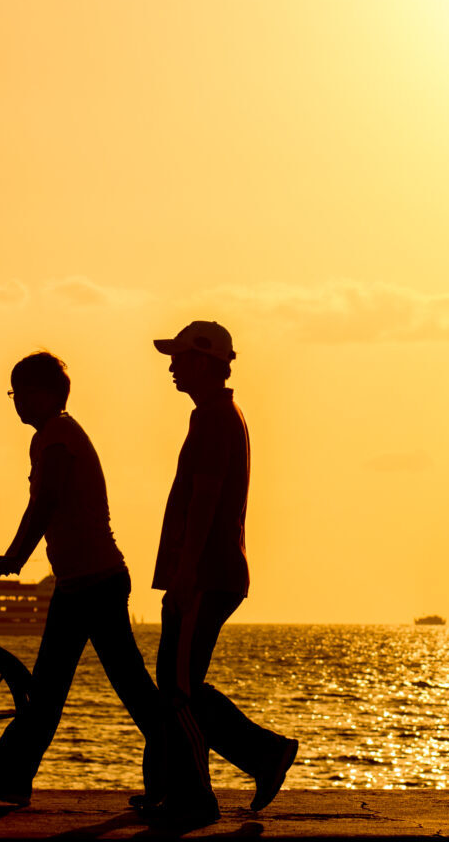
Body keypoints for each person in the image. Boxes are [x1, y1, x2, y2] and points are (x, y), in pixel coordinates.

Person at [0, 352, 203, 813]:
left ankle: (183, 782)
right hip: (81, 583)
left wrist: (15, 557)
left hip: (93, 583)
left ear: (43, 393)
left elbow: (46, 502)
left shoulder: (56, 437)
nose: (14, 402)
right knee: (63, 690)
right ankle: (13, 779)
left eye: (18, 392)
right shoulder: (55, 434)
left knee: (115, 690)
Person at [150, 321, 298, 816]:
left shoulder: (214, 418)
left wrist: (186, 572)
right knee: (177, 681)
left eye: (179, 358)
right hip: (208, 572)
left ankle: (201, 792)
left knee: (178, 688)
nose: (171, 366)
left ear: (203, 362)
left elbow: (207, 498)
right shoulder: (214, 415)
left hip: (207, 574)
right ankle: (209, 776)